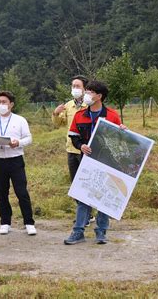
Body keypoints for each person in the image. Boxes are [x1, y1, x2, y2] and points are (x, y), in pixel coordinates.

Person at [64, 80, 124, 245]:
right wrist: (80, 145)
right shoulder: (79, 115)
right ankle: (78, 232)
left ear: (99, 96)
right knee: (82, 196)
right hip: (86, 162)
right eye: (87, 91)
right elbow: (74, 136)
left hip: (106, 162)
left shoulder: (111, 115)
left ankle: (101, 232)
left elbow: (120, 140)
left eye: (90, 92)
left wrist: (123, 131)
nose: (87, 94)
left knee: (103, 197)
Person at [0, 91, 36, 236]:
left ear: (11, 104)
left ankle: (29, 222)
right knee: (2, 193)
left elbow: (29, 138)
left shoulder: (20, 120)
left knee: (21, 192)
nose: (1, 105)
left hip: (15, 160)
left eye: (4, 102)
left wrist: (18, 142)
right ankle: (5, 222)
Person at [52, 75, 93, 227]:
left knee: (86, 183)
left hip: (85, 149)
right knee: (75, 184)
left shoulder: (90, 105)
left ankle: (87, 216)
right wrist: (56, 113)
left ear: (85, 89)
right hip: (71, 149)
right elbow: (59, 123)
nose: (74, 89)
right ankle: (85, 214)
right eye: (73, 86)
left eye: (78, 86)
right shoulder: (68, 105)